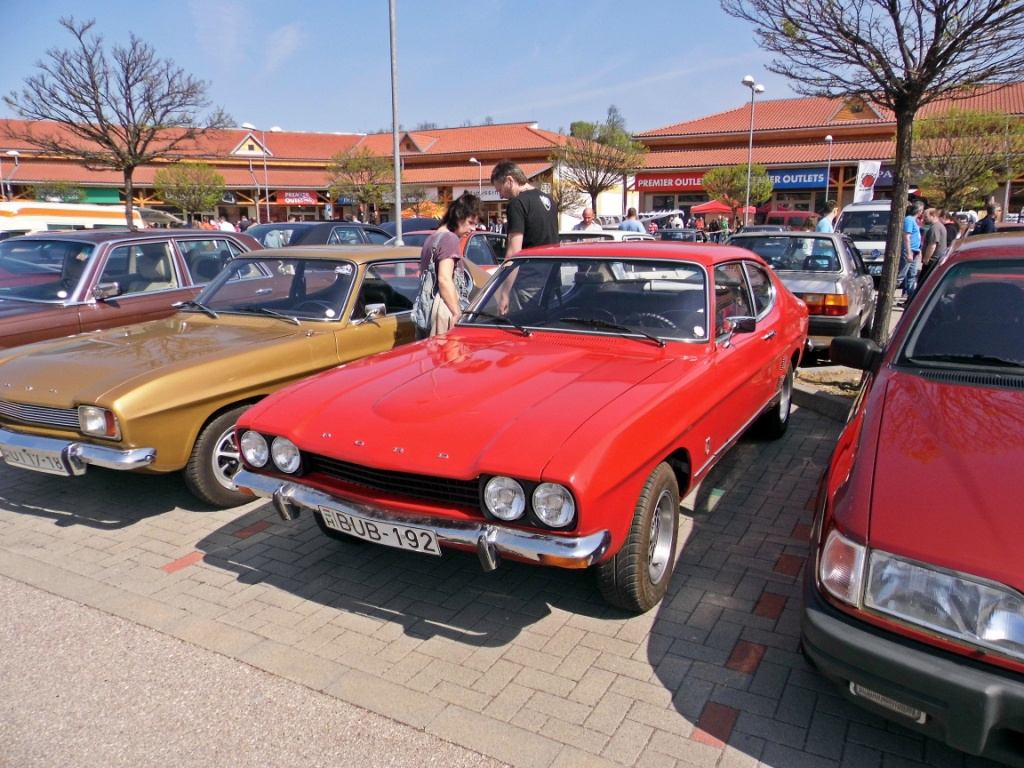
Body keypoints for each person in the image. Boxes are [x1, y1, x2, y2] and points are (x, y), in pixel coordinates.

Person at [411, 192, 483, 339]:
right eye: (470, 222)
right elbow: (444, 279)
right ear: (458, 217)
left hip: (425, 314)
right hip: (442, 314)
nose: (474, 229)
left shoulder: (432, 238)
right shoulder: (450, 239)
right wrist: (456, 312)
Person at [489, 160, 558, 312]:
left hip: (528, 283)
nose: (500, 196)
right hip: (551, 280)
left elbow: (514, 252)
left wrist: (504, 293)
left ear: (510, 180)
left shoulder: (517, 204)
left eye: (499, 189)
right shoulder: (549, 201)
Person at [899, 201, 923, 298]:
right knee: (901, 275)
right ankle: (888, 296)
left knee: (912, 275)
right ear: (919, 211)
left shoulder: (914, 221)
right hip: (909, 251)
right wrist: (909, 253)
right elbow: (906, 237)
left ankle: (910, 296)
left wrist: (918, 250)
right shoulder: (909, 220)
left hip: (915, 251)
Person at [919, 207, 947, 286]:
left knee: (923, 284)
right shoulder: (938, 226)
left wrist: (926, 259)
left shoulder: (935, 228)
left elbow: (932, 245)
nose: (924, 219)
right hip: (934, 261)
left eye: (926, 216)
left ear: (933, 215)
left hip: (932, 261)